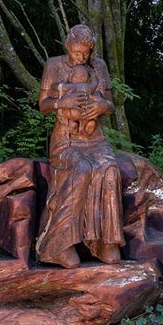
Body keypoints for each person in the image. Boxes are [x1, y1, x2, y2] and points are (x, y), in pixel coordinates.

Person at [36, 25, 124, 268]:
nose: (80, 57)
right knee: (81, 170)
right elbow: (43, 105)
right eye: (76, 52)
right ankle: (57, 244)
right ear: (67, 46)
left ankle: (104, 241)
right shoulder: (54, 66)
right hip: (66, 140)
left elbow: (110, 103)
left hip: (94, 138)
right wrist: (60, 102)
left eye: (85, 53)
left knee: (110, 170)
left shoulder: (100, 67)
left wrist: (102, 107)